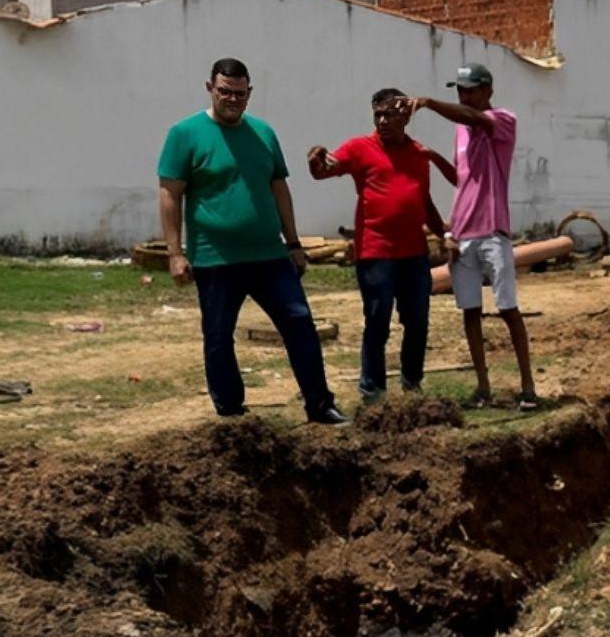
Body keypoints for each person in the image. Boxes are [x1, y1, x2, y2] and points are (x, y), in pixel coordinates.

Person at [157, 57, 347, 425]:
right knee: (218, 336)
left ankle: (320, 405)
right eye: (225, 91)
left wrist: (294, 243)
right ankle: (231, 413)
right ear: (210, 89)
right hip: (215, 258)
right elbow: (169, 195)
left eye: (240, 94)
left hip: (269, 255)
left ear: (250, 93)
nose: (232, 99)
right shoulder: (184, 134)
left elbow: (279, 189)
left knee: (299, 323)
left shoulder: (263, 133)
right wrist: (175, 253)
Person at [307, 88, 458, 405]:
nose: (383, 121)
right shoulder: (359, 148)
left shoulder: (419, 154)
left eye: (390, 114)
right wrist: (315, 158)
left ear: (406, 116)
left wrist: (443, 235)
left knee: (417, 322)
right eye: (378, 114)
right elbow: (324, 171)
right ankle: (372, 391)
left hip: (414, 254)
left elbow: (424, 201)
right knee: (377, 321)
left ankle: (412, 384)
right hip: (375, 254)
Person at [409, 63, 538, 410]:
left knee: (508, 308)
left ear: (487, 91)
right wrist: (433, 157)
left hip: (493, 230)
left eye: (470, 90)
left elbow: (474, 117)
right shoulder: (461, 131)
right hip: (462, 233)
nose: (464, 97)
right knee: (470, 311)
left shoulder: (503, 119)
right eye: (460, 91)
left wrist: (428, 103)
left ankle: (527, 385)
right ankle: (483, 387)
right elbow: (462, 179)